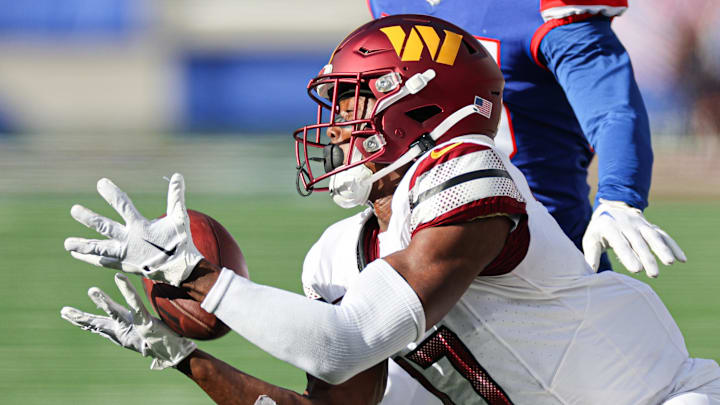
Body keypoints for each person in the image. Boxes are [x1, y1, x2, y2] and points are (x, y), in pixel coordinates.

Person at [61, 15, 720, 405]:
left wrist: (204, 279)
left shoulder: (467, 170)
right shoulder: (336, 256)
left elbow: (347, 337)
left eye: (353, 102)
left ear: (423, 106)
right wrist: (185, 358)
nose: (337, 124)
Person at [365, 0, 686, 278]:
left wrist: (619, 197)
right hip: (421, 234)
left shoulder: (541, 9)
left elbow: (613, 111)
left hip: (542, 247)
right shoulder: (391, 4)